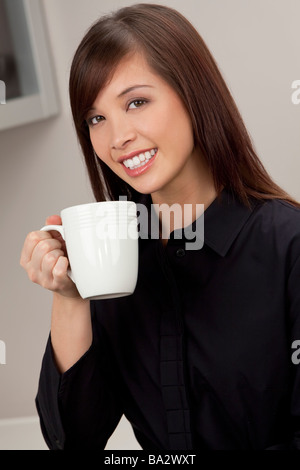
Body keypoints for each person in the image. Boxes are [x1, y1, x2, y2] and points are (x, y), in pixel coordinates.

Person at [20, 3, 300, 450]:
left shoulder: (289, 246)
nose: (117, 138)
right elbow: (73, 441)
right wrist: (70, 296)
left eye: (136, 102)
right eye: (96, 118)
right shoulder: (115, 255)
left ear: (194, 94)